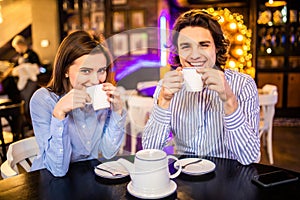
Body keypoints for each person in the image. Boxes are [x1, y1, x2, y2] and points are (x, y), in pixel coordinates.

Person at [142, 9, 260, 165]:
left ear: (217, 47)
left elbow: (249, 158)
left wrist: (229, 100)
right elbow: (150, 150)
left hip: (228, 176)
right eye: (186, 46)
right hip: (184, 177)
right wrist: (163, 101)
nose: (195, 55)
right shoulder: (166, 87)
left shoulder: (243, 85)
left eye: (203, 45)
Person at [29, 31, 126, 177]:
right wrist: (59, 113)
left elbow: (108, 152)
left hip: (87, 176)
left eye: (101, 70)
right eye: (86, 71)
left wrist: (117, 112)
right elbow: (58, 169)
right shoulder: (43, 100)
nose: (95, 80)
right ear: (66, 70)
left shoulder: (101, 97)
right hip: (48, 181)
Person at [10, 35, 41, 126]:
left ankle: (32, 123)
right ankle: (25, 122)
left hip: (31, 81)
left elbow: (38, 67)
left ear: (20, 44)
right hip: (22, 82)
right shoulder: (20, 56)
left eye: (16, 47)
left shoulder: (32, 54)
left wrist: (27, 69)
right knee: (23, 100)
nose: (16, 50)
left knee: (28, 101)